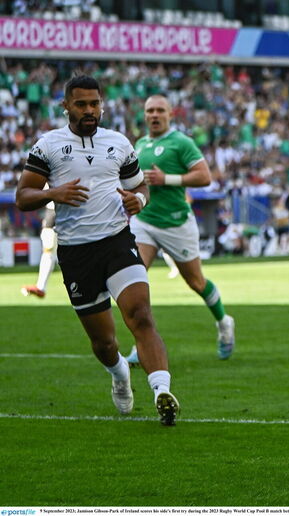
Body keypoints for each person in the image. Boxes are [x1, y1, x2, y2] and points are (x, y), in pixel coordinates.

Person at [15, 75, 179, 425]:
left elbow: (140, 190)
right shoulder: (48, 145)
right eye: (81, 104)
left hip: (117, 243)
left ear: (102, 103)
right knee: (104, 343)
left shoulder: (118, 143)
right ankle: (120, 374)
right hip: (76, 254)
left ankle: (161, 390)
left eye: (95, 103)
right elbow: (22, 197)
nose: (90, 110)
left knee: (141, 315)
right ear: (66, 106)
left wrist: (138, 201)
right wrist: (51, 194)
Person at [126, 94, 235, 362]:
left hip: (176, 223)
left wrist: (167, 179)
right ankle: (142, 346)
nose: (154, 115)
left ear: (170, 114)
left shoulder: (181, 142)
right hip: (145, 222)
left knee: (196, 282)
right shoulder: (140, 144)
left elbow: (204, 176)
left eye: (159, 110)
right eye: (150, 110)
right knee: (134, 281)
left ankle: (224, 323)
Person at [20, 200, 56, 298]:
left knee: (49, 251)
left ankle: (41, 287)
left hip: (57, 210)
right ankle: (40, 287)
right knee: (49, 251)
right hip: (55, 211)